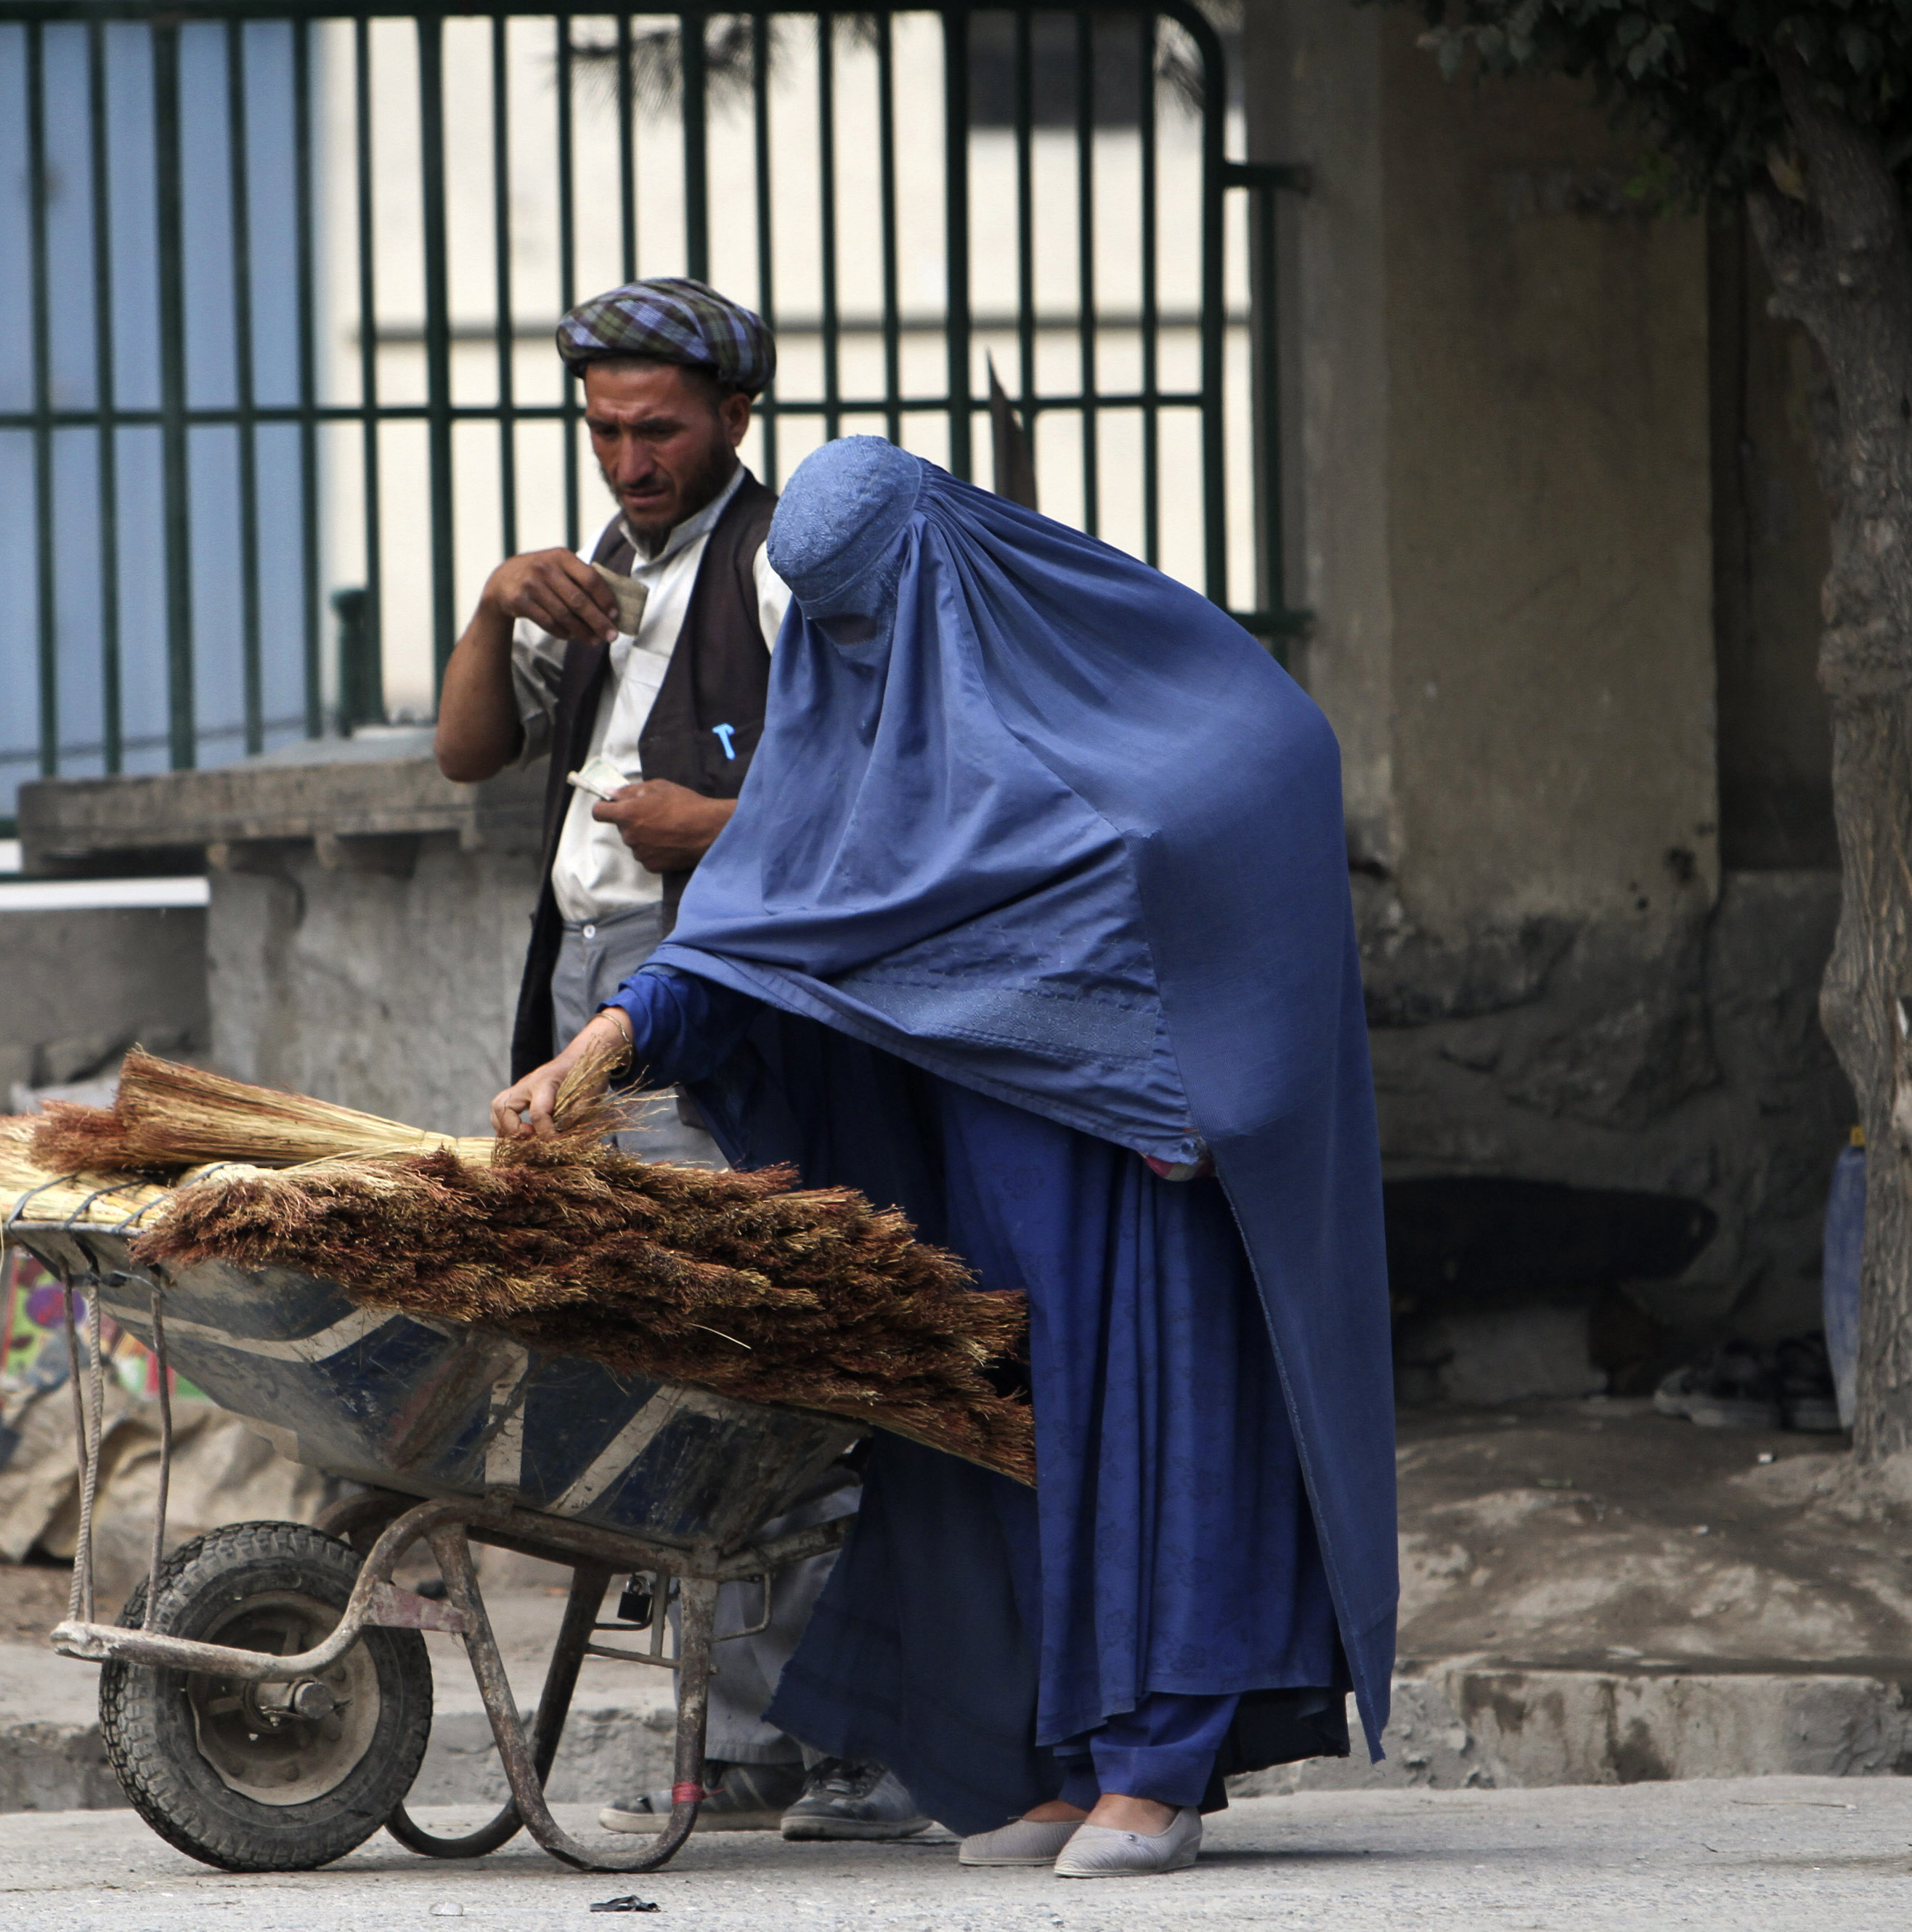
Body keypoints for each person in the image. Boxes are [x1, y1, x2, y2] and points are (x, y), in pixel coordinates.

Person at [493, 436, 1399, 1879]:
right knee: (990, 1446)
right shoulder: (853, 715)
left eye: (870, 610)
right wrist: (596, 1050)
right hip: (962, 1160)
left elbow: (1267, 769)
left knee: (1145, 1430)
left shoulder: (1127, 669)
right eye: (828, 620)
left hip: (1130, 1156)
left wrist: (1201, 1055)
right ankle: (1051, 1758)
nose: (854, 645)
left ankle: (1153, 1767)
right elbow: (761, 921)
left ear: (937, 569)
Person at [434, 280, 920, 1843]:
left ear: (734, 419)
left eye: (658, 431)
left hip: (731, 1009)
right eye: (605, 432)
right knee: (673, 1369)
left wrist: (713, 825)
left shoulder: (783, 573)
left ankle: (855, 1739)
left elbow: (888, 796)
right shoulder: (599, 576)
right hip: (585, 991)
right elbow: (466, 752)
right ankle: (758, 1732)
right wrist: (495, 605)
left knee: (767, 1362)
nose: (630, 461)